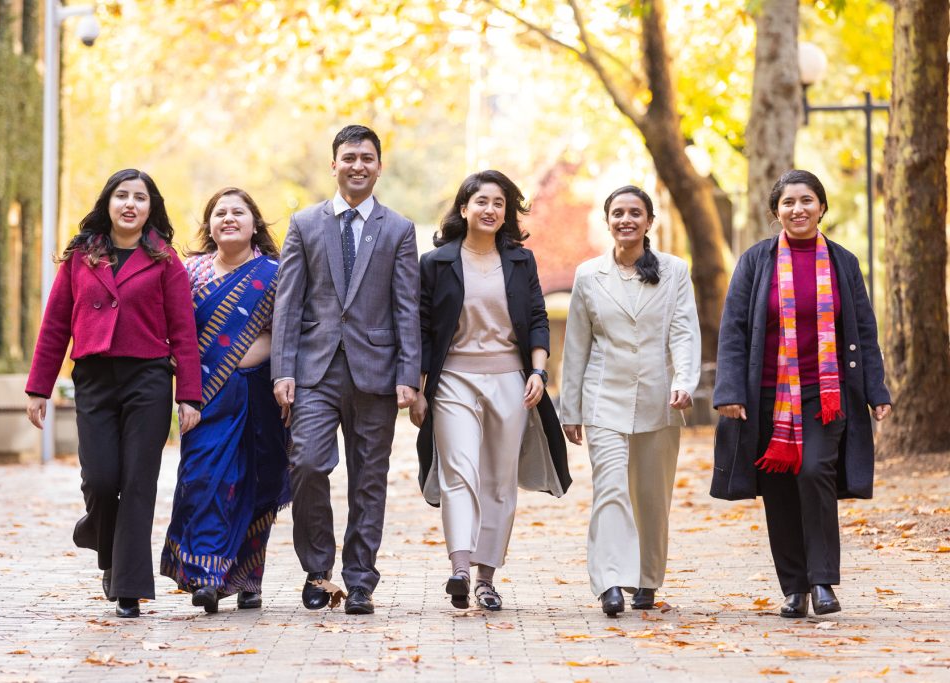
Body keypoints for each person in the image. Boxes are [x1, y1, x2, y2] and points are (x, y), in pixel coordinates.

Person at [712, 169, 892, 618]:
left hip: (825, 395)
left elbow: (864, 330)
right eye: (789, 202)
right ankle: (793, 587)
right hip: (768, 398)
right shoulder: (756, 262)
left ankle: (823, 581)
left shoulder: (843, 262)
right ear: (776, 212)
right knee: (778, 487)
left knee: (814, 472)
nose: (798, 209)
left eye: (807, 200)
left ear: (822, 207)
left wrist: (876, 388)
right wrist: (730, 389)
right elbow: (733, 329)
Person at [25, 169, 201, 619]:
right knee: (101, 480)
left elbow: (183, 332)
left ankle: (128, 587)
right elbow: (55, 324)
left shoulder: (165, 261)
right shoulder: (82, 256)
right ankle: (102, 540)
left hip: (149, 380)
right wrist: (39, 387)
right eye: (121, 195)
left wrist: (189, 395)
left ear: (150, 207)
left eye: (139, 198)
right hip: (95, 380)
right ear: (107, 202)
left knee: (138, 483)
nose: (129, 204)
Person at [272, 124, 421, 616]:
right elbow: (288, 304)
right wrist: (282, 370)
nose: (358, 165)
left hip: (376, 372)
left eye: (367, 158)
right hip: (314, 370)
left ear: (379, 166)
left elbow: (406, 307)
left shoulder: (398, 229)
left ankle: (360, 581)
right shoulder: (305, 224)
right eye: (349, 157)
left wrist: (409, 373)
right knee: (309, 464)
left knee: (368, 479)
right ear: (333, 165)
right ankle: (318, 569)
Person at [411, 169, 571, 611]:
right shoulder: (437, 262)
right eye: (481, 201)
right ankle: (459, 567)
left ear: (507, 212)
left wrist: (538, 372)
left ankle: (486, 577)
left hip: (510, 382)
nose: (490, 209)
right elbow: (423, 329)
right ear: (464, 208)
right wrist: (420, 388)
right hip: (454, 381)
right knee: (459, 472)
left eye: (499, 203)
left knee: (499, 480)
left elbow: (538, 318)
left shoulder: (521, 261)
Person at [560, 185, 700, 617]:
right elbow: (577, 346)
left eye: (635, 212)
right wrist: (571, 409)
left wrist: (685, 380)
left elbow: (683, 330)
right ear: (608, 221)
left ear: (649, 222)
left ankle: (646, 579)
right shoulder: (588, 276)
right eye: (618, 212)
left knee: (651, 495)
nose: (626, 219)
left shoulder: (675, 271)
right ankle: (609, 582)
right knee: (611, 489)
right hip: (604, 399)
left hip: (660, 398)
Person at [160, 188, 292, 614]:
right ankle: (207, 576)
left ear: (255, 223)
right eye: (220, 213)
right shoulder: (189, 272)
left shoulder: (276, 274)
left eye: (239, 212)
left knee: (255, 483)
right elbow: (174, 331)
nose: (229, 218)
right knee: (204, 479)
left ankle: (248, 577)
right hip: (204, 399)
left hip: (258, 396)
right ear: (209, 224)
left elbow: (287, 335)